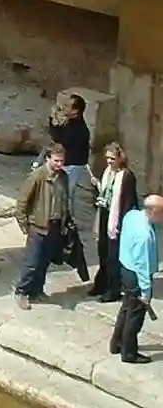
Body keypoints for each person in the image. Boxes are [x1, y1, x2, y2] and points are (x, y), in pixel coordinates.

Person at [14, 143, 70, 310]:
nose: (60, 164)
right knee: (32, 262)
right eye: (57, 161)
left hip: (54, 226)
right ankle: (22, 291)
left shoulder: (63, 177)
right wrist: (24, 225)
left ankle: (36, 291)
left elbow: (64, 200)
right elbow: (22, 202)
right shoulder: (37, 177)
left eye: (62, 161)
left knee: (44, 262)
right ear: (48, 158)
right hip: (38, 226)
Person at [110, 195, 163, 364]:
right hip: (136, 276)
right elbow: (143, 266)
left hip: (125, 267)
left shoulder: (132, 215)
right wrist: (146, 293)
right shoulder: (144, 236)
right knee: (135, 316)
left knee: (126, 308)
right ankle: (129, 353)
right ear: (153, 211)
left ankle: (116, 343)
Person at [90, 143, 139, 303]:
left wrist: (124, 225)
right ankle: (101, 284)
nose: (109, 161)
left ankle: (113, 290)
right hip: (105, 214)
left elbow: (129, 201)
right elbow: (107, 192)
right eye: (107, 158)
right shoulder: (107, 172)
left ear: (120, 158)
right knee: (102, 252)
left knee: (113, 256)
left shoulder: (126, 176)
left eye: (112, 158)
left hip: (117, 219)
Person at [48, 94, 90, 205]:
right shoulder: (70, 122)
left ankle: (64, 220)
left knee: (64, 194)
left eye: (67, 106)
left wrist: (54, 118)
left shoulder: (79, 129)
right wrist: (53, 120)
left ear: (75, 111)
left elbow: (60, 139)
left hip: (73, 165)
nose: (63, 108)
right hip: (67, 162)